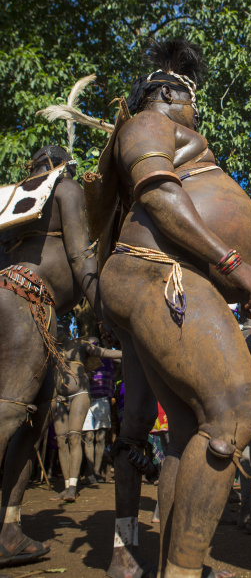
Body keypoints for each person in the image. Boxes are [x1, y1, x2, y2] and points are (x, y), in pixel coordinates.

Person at [94, 38, 251, 578]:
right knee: (237, 411)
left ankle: (177, 561)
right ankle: (183, 571)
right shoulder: (149, 121)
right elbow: (158, 195)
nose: (198, 112)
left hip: (163, 275)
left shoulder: (168, 130)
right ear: (169, 93)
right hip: (156, 271)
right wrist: (233, 262)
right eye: (193, 100)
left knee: (192, 428)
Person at [0, 145, 104, 569]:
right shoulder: (65, 189)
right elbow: (80, 257)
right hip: (29, 304)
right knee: (9, 416)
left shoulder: (9, 199)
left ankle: (8, 529)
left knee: (33, 419)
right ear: (62, 167)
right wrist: (105, 304)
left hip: (18, 304)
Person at [50, 329, 121, 502]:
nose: (58, 331)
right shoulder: (50, 348)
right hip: (57, 397)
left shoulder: (80, 344)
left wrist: (131, 352)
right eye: (55, 328)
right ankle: (67, 486)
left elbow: (103, 352)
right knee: (61, 441)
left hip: (79, 394)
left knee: (75, 438)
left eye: (61, 327)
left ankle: (73, 487)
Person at [83, 339, 118, 484]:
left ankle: (97, 472)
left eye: (95, 344)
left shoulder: (106, 359)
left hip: (103, 400)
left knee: (100, 437)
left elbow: (114, 375)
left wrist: (111, 394)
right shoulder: (84, 359)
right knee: (88, 437)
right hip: (87, 400)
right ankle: (90, 472)